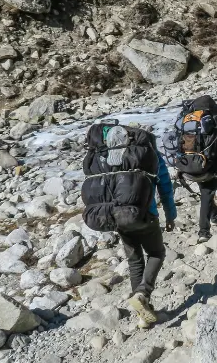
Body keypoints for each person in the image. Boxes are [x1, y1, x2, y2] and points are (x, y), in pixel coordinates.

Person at [80, 122, 176, 329]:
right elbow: (165, 187)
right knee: (157, 253)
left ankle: (143, 315)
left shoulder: (105, 159)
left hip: (117, 218)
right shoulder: (148, 155)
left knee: (135, 262)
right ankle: (143, 293)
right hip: (145, 215)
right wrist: (170, 215)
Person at [163, 95, 217, 241]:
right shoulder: (215, 125)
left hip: (186, 167)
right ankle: (203, 231)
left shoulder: (185, 124)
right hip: (207, 167)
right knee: (207, 193)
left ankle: (215, 213)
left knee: (205, 190)